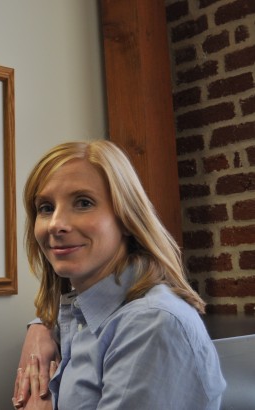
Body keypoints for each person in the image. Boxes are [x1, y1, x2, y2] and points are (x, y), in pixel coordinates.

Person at [12, 141, 226, 410]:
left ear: (126, 217)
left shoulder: (152, 324)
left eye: (83, 203)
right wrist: (40, 326)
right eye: (45, 207)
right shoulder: (83, 313)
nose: (56, 224)